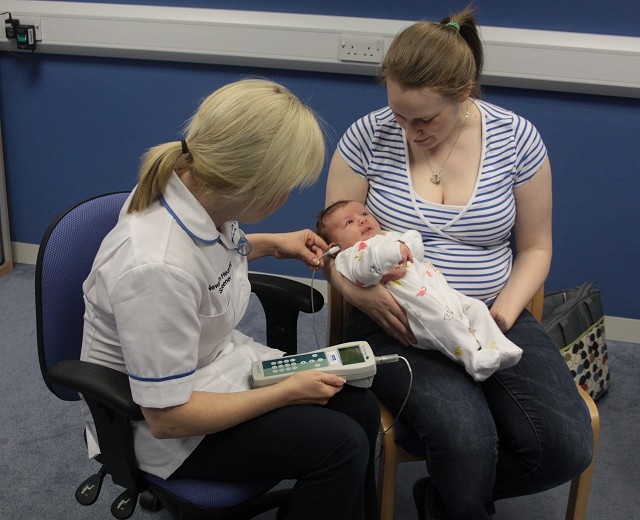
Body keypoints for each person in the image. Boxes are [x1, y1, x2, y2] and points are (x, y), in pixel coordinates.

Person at [324, 7, 593, 520]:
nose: (408, 131)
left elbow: (536, 248)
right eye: (398, 115)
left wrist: (502, 316)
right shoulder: (368, 136)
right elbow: (336, 245)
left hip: (487, 310)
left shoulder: (516, 139)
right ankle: (458, 501)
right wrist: (358, 293)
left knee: (564, 446)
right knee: (465, 439)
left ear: (464, 92)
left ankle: (442, 499)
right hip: (397, 320)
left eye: (424, 120)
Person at [80, 79, 380, 520]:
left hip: (216, 372)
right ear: (256, 186)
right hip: (172, 430)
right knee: (340, 446)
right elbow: (168, 418)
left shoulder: (198, 193)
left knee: (361, 405)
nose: (286, 197)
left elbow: (211, 259)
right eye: (286, 188)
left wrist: (270, 243)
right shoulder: (156, 266)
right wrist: (285, 394)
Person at [317, 200, 522, 382]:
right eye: (349, 222)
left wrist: (406, 243)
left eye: (364, 214)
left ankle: (499, 346)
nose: (362, 220)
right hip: (419, 310)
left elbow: (415, 244)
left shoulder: (387, 236)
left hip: (441, 292)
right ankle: (474, 359)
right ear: (335, 247)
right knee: (446, 321)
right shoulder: (349, 256)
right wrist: (393, 251)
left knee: (476, 308)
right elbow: (364, 271)